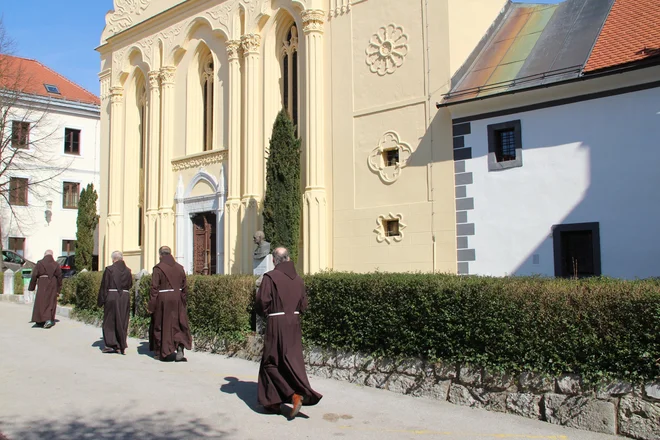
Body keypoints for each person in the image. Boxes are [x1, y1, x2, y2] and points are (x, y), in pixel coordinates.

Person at [256, 247, 322, 418]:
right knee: (289, 361)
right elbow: (304, 306)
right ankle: (274, 403)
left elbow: (262, 302)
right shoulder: (299, 280)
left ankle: (292, 395)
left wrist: (266, 314)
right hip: (294, 323)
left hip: (276, 322)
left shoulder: (270, 277)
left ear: (274, 260)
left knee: (270, 362)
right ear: (288, 258)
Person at [148, 246, 192, 362]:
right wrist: (183, 301)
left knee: (162, 324)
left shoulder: (158, 268)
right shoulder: (180, 268)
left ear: (160, 255)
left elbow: (154, 287)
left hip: (163, 299)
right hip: (177, 298)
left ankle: (163, 352)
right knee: (178, 324)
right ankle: (179, 348)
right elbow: (184, 287)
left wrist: (152, 305)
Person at [97, 251, 133, 354]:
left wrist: (101, 300)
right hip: (125, 297)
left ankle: (110, 344)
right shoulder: (128, 271)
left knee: (110, 320)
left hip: (112, 296)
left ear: (113, 259)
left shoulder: (109, 269)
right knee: (122, 320)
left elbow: (105, 285)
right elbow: (130, 284)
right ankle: (121, 344)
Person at [28, 250, 62, 329]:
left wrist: (31, 287)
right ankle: (48, 319)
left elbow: (34, 275)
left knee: (41, 301)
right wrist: (58, 289)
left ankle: (40, 320)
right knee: (50, 301)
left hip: (42, 284)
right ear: (52, 256)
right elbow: (59, 277)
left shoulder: (39, 263)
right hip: (52, 284)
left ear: (44, 255)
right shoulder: (56, 264)